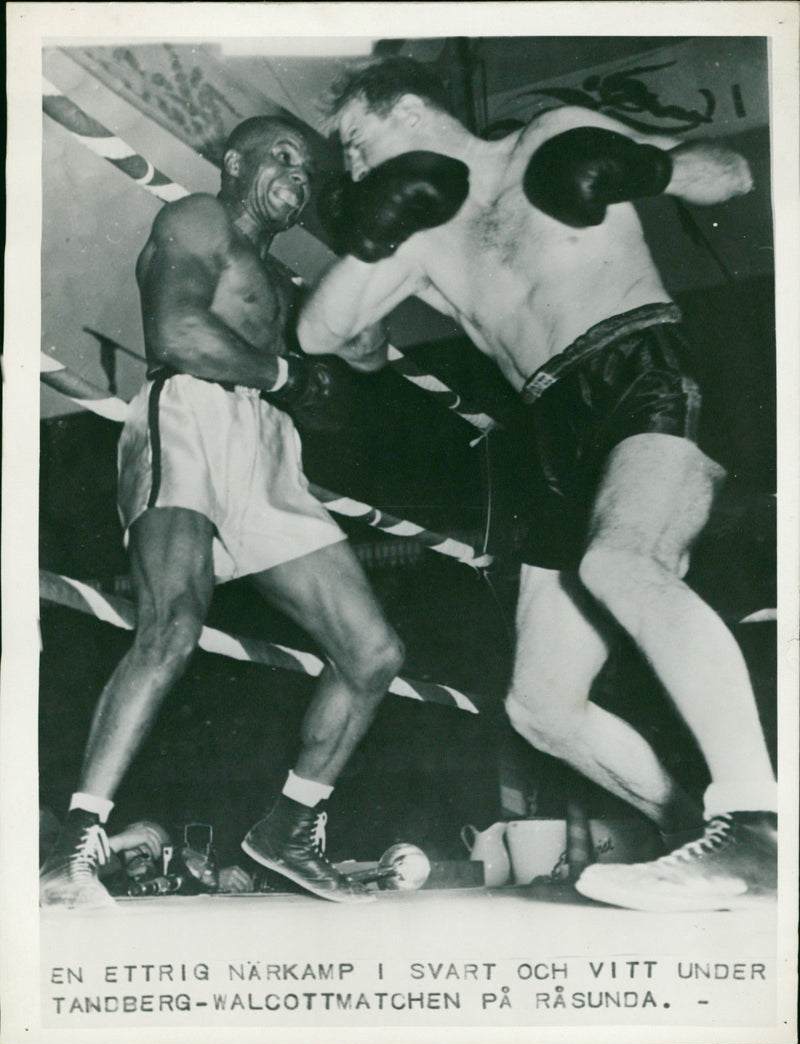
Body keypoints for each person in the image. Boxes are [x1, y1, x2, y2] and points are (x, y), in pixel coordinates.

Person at [295, 58, 777, 912]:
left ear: (408, 108)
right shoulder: (416, 229)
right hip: (546, 427)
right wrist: (372, 234)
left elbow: (730, 173)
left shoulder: (550, 138)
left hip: (639, 370)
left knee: (623, 565)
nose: (355, 172)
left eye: (357, 146)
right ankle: (692, 832)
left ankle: (757, 822)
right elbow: (320, 327)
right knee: (541, 706)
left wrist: (652, 169)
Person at [40, 116, 404, 908]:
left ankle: (287, 827)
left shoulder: (283, 281)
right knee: (173, 620)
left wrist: (366, 255)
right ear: (234, 162)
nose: (298, 178)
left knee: (372, 652)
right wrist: (287, 375)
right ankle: (73, 843)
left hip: (268, 443)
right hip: (193, 415)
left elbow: (367, 350)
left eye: (309, 174)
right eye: (284, 158)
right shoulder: (198, 220)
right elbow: (176, 333)